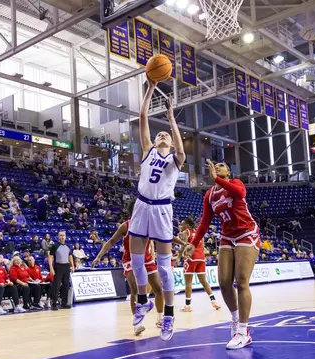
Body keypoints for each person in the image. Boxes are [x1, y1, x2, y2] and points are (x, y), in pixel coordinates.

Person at [128, 80, 186, 342]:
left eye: (166, 136)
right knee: (136, 261)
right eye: (159, 134)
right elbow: (142, 116)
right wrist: (150, 88)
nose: (162, 136)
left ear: (171, 143)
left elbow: (181, 149)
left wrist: (171, 118)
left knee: (164, 268)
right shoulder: (147, 151)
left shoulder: (175, 159)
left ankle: (169, 316)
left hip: (162, 210)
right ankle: (143, 301)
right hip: (141, 206)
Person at [183, 160, 258, 350]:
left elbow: (240, 193)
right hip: (227, 236)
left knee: (242, 281)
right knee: (224, 282)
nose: (217, 166)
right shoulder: (209, 195)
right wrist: (193, 244)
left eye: (222, 165)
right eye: (215, 166)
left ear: (228, 172)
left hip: (246, 232)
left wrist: (216, 179)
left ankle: (244, 332)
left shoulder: (235, 183)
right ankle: (235, 320)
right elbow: (204, 222)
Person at [93, 208, 165, 335]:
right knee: (135, 289)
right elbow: (111, 241)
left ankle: (160, 318)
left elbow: (160, 238)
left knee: (158, 289)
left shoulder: (148, 224)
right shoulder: (125, 226)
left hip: (147, 259)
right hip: (130, 260)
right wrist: (99, 256)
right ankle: (137, 324)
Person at [178, 218, 220, 312]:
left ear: (187, 225)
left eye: (182, 224)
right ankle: (214, 301)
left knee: (188, 283)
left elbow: (184, 245)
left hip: (191, 258)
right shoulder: (198, 232)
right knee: (204, 281)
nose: (181, 226)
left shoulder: (186, 232)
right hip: (201, 258)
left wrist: (179, 257)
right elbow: (203, 246)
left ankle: (187, 306)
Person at [48, 231, 74, 311]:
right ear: (58, 236)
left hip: (66, 266)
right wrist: (51, 268)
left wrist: (72, 265)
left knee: (66, 285)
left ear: (65, 236)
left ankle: (64, 303)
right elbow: (50, 257)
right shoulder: (55, 246)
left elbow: (70, 256)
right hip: (58, 266)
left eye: (63, 235)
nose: (62, 237)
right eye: (61, 235)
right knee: (56, 285)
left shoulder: (68, 246)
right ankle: (54, 303)